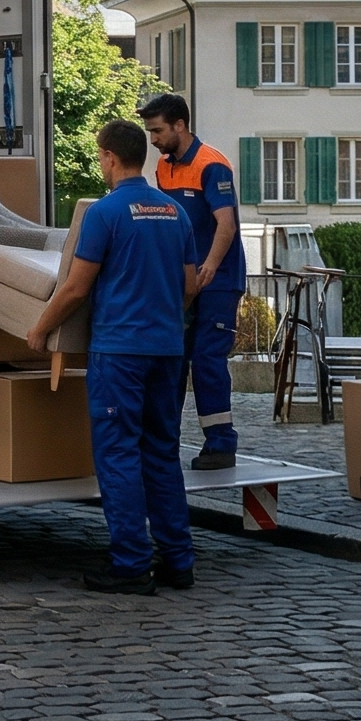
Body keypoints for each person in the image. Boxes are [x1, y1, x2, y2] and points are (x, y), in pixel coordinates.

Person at [24, 120, 198, 595]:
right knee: (161, 453)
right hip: (167, 349)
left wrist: (40, 328)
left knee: (118, 455)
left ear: (109, 157)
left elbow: (76, 288)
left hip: (120, 351)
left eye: (100, 156)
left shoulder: (105, 213)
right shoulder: (175, 212)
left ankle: (131, 564)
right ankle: (178, 561)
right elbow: (189, 285)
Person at [142, 92, 244, 471]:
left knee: (206, 360)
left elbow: (226, 225)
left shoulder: (211, 165)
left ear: (180, 125)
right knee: (172, 359)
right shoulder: (164, 167)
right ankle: (163, 441)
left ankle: (221, 444)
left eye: (158, 131)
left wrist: (209, 268)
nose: (153, 140)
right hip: (184, 279)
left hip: (218, 281)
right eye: (150, 132)